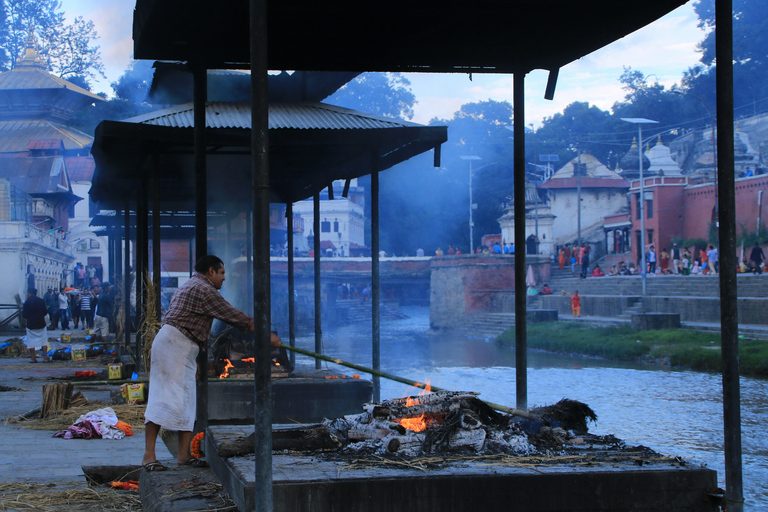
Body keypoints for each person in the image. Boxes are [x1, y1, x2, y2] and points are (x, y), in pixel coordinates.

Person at [142, 255, 277, 471]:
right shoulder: (204, 290)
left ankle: (183, 456)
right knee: (163, 398)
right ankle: (149, 457)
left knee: (187, 401)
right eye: (221, 273)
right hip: (173, 345)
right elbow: (233, 316)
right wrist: (266, 334)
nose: (224, 278)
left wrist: (192, 358)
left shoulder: (192, 284)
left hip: (180, 346)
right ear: (211, 272)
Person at [22, 288, 50, 363]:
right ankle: (45, 358)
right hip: (41, 324)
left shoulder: (27, 302)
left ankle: (33, 359)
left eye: (27, 293)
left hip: (31, 325)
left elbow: (24, 315)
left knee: (31, 343)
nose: (27, 294)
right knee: (44, 342)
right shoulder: (41, 301)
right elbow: (45, 312)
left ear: (30, 293)